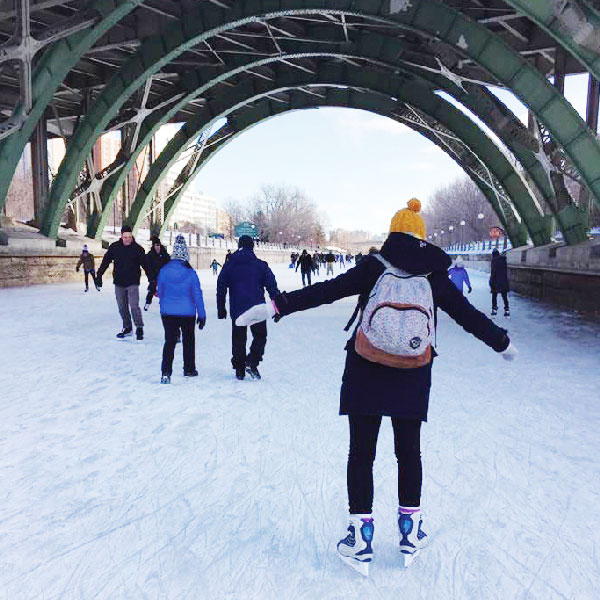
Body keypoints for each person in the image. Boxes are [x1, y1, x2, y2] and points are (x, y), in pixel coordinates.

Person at [235, 199, 518, 575]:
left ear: (393, 233)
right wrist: (500, 341)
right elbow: (467, 315)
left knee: (362, 454)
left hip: (366, 368)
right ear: (421, 237)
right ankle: (410, 530)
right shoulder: (434, 275)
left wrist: (276, 307)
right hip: (413, 372)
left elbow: (326, 290)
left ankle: (360, 535)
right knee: (409, 453)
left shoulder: (373, 266)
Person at [216, 235, 280, 380]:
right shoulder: (260, 265)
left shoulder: (230, 264)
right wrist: (278, 306)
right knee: (260, 336)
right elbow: (272, 287)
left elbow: (221, 286)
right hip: (257, 307)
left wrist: (221, 307)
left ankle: (239, 369)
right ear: (252, 247)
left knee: (238, 339)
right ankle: (252, 361)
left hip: (238, 308)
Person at [157, 235, 206, 384]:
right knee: (189, 340)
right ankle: (189, 369)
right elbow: (197, 294)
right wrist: (202, 315)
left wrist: (164, 306)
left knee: (169, 341)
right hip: (188, 313)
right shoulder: (191, 273)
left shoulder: (164, 270)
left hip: (168, 313)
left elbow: (160, 292)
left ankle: (166, 372)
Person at [96, 225, 152, 340]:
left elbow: (146, 265)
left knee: (134, 306)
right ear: (121, 236)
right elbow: (106, 260)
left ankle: (139, 327)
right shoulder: (115, 247)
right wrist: (99, 275)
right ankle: (127, 328)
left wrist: (152, 280)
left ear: (132, 236)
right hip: (119, 282)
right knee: (122, 307)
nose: (127, 239)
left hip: (132, 282)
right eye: (125, 237)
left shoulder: (138, 249)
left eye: (129, 237)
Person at [144, 235, 170, 310]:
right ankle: (147, 303)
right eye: (156, 245)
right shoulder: (150, 255)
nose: (157, 247)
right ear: (153, 246)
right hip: (154, 275)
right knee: (152, 288)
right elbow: (147, 267)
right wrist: (151, 278)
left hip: (163, 276)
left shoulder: (164, 254)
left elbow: (169, 262)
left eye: (158, 245)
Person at [489, 248, 510, 317]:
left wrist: (491, 282)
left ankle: (494, 309)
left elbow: (493, 272)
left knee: (494, 295)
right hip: (504, 281)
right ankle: (507, 310)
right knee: (504, 296)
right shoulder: (504, 260)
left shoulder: (494, 261)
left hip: (496, 282)